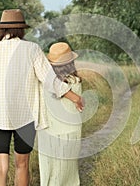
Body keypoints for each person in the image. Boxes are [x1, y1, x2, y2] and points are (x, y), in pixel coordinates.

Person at [0, 9, 83, 186]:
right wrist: (74, 96)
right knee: (22, 165)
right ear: (22, 29)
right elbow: (49, 80)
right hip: (25, 118)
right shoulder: (32, 49)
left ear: (2, 29)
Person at [37, 42, 82, 186]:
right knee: (67, 172)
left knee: (49, 171)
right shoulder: (75, 82)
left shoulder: (44, 82)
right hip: (70, 132)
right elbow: (78, 108)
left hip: (47, 132)